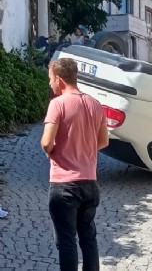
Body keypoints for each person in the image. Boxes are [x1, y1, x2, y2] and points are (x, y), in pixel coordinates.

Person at [41, 58, 109, 271]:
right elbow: (104, 141)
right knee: (88, 238)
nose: (50, 84)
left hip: (64, 186)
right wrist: (84, 149)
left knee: (67, 242)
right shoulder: (95, 104)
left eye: (51, 79)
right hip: (89, 184)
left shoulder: (57, 104)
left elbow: (46, 141)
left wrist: (53, 151)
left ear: (59, 79)